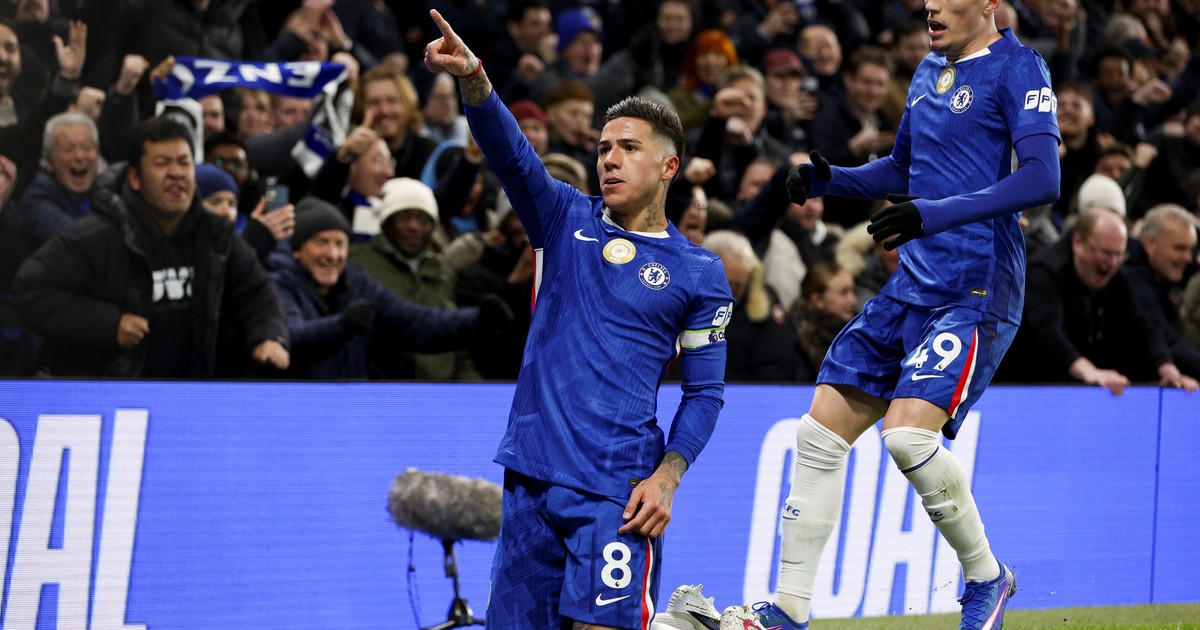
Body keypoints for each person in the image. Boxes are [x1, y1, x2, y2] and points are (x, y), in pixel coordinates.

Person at [721, 2, 1062, 629]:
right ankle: (788, 610)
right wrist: (832, 180)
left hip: (976, 288)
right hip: (912, 284)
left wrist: (933, 213)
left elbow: (1043, 178)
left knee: (907, 436)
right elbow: (905, 168)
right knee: (818, 434)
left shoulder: (1020, 67)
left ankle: (986, 577)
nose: (931, 5)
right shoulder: (929, 69)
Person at [424, 10, 732, 630]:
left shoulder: (700, 272)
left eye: (628, 149)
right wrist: (476, 81)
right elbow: (513, 158)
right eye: (603, 149)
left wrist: (667, 477)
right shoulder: (564, 219)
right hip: (532, 474)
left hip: (618, 487)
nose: (609, 160)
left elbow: (704, 392)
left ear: (668, 167)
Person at [13, 116, 290, 378]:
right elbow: (31, 289)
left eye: (184, 163)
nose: (176, 173)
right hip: (108, 394)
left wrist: (270, 336)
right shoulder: (96, 235)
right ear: (135, 178)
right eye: (162, 163)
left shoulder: (217, 235)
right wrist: (110, 324)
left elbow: (256, 292)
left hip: (189, 393)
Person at [269, 196, 505, 380]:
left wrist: (477, 320)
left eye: (340, 244)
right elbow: (289, 337)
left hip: (353, 407)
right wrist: (341, 327)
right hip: (297, 409)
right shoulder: (278, 284)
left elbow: (417, 323)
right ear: (297, 250)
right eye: (321, 243)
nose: (332, 254)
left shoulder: (359, 283)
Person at [997, 207, 1199, 393]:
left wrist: (1167, 369)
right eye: (1105, 253)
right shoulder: (1044, 271)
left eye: (1119, 254)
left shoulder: (1119, 276)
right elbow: (1047, 331)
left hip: (1073, 389)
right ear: (1078, 243)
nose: (1112, 263)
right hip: (1024, 386)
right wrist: (1090, 372)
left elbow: (1143, 327)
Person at [19, 111, 99, 248]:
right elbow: (81, 242)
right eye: (68, 149)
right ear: (49, 162)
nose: (79, 156)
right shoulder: (36, 200)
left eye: (87, 148)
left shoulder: (110, 187)